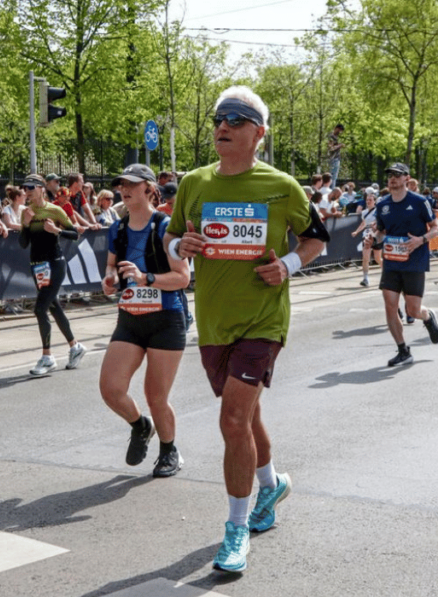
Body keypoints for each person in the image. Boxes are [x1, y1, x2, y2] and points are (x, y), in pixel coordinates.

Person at [163, 86, 329, 573]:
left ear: (259, 133)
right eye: (219, 118)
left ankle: (235, 530)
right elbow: (172, 238)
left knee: (233, 420)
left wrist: (290, 265)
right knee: (246, 416)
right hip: (214, 321)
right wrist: (181, 247)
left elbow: (317, 237)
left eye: (236, 119)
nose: (223, 126)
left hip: (263, 319)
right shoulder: (195, 183)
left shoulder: (281, 186)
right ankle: (272, 484)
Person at [99, 164, 191, 478]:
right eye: (121, 184)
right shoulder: (118, 228)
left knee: (156, 395)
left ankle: (169, 450)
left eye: (132, 185)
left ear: (149, 189)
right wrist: (109, 281)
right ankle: (140, 426)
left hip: (166, 319)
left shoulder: (166, 227)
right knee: (111, 389)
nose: (124, 189)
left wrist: (145, 277)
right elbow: (111, 268)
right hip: (130, 318)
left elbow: (182, 278)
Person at [364, 163, 438, 366]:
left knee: (412, 310)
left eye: (397, 175)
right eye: (390, 175)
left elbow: (437, 228)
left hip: (414, 261)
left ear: (406, 178)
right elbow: (381, 231)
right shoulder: (382, 205)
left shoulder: (419, 201)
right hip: (391, 262)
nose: (392, 179)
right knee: (390, 306)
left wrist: (420, 240)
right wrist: (374, 238)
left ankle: (427, 316)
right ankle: (403, 350)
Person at [18, 174, 88, 376]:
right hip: (37, 266)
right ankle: (75, 346)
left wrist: (55, 230)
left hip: (55, 264)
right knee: (53, 306)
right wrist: (26, 223)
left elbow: (75, 234)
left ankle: (47, 357)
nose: (27, 191)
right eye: (25, 187)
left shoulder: (55, 210)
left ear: (41, 188)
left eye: (31, 187)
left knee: (40, 309)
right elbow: (23, 244)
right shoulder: (26, 212)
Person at [350, 190, 382, 286]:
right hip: (367, 236)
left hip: (376, 235)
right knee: (365, 257)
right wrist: (357, 231)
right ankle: (365, 279)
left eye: (370, 200)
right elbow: (363, 223)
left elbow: (381, 222)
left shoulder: (378, 211)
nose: (368, 201)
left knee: (377, 258)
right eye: (367, 200)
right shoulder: (364, 212)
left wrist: (375, 225)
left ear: (374, 201)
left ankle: (386, 274)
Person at [327, 124, 344, 188]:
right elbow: (331, 148)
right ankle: (331, 190)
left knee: (335, 177)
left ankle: (332, 188)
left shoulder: (338, 138)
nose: (340, 132)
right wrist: (340, 146)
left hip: (337, 158)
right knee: (332, 177)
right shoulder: (331, 137)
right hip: (332, 158)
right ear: (337, 128)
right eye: (340, 130)